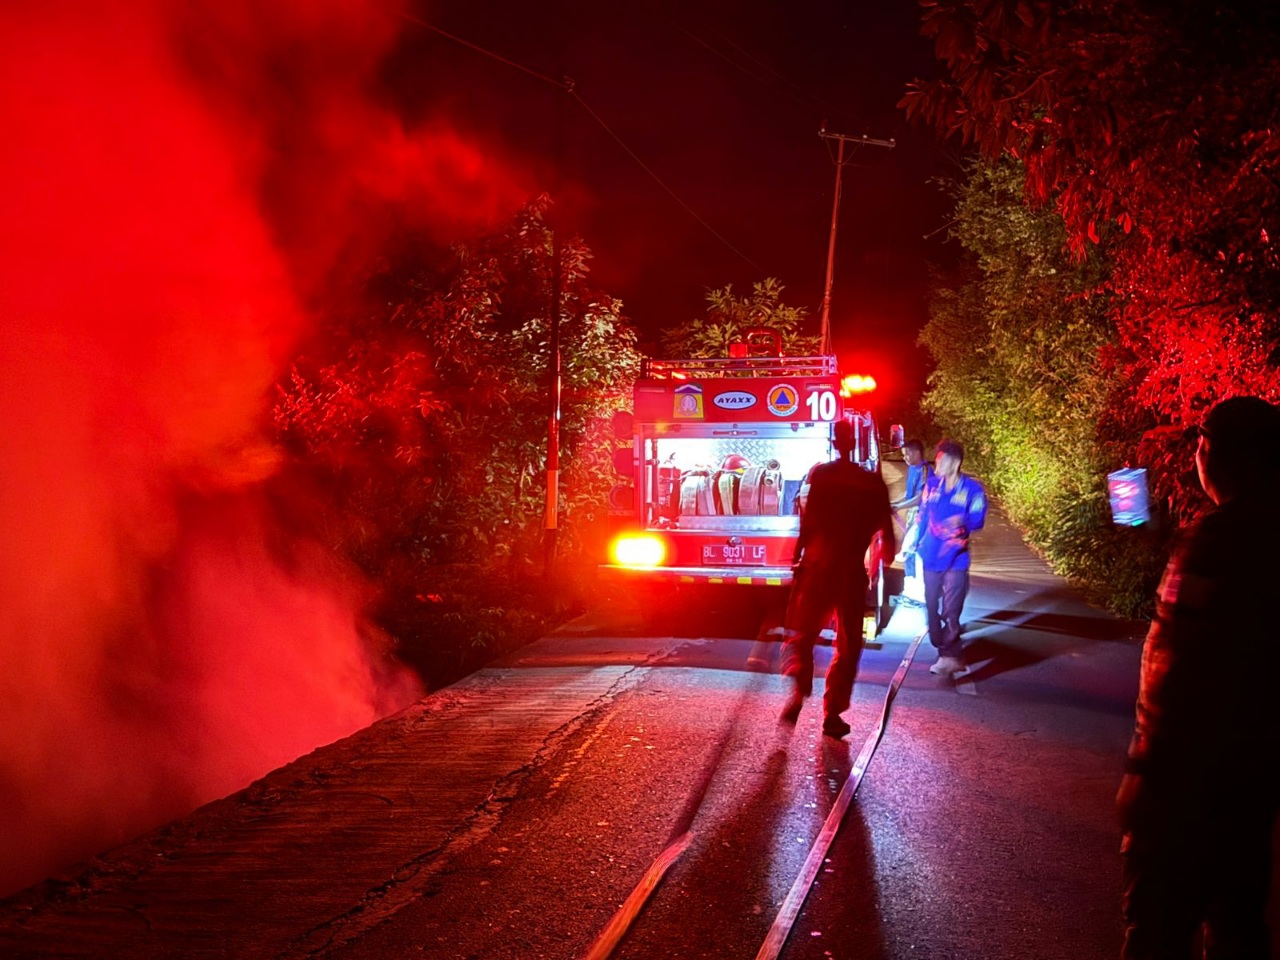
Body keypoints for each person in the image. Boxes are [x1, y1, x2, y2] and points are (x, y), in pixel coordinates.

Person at [1117, 395, 1280, 960]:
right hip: (1254, 778)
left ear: (1214, 454)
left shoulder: (1217, 538)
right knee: (1237, 924)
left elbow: (1176, 660)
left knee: (1157, 928)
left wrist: (1144, 767)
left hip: (1187, 780)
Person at [779, 419, 895, 739]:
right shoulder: (873, 483)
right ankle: (832, 714)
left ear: (835, 440)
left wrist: (797, 556)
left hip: (818, 570)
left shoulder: (821, 475)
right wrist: (873, 571)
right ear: (857, 441)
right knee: (848, 645)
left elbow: (809, 521)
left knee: (803, 634)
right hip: (849, 575)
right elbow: (887, 539)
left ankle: (800, 687)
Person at [915, 438, 987, 678]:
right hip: (930, 556)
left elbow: (977, 520)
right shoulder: (932, 485)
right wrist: (916, 541)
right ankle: (941, 644)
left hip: (956, 559)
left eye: (941, 460)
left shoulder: (973, 490)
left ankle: (950, 656)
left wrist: (961, 522)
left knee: (951, 610)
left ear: (954, 463)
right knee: (931, 606)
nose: (937, 465)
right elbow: (923, 514)